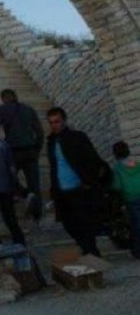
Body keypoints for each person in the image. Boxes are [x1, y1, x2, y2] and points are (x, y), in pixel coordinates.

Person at [46, 107, 111, 256]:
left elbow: (91, 159)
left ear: (64, 121)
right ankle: (88, 251)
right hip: (62, 191)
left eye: (57, 121)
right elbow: (54, 167)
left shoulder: (77, 137)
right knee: (69, 225)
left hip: (79, 189)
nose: (54, 125)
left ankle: (92, 254)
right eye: (51, 122)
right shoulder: (51, 142)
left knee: (85, 224)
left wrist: (89, 182)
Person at [0, 89, 45, 223]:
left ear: (4, 98)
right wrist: (36, 149)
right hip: (31, 150)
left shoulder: (2, 109)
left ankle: (24, 194)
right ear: (15, 96)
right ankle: (37, 214)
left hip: (13, 151)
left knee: (6, 177)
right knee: (34, 183)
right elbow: (39, 132)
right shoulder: (29, 109)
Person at [111, 141, 140, 259]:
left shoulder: (118, 168)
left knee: (136, 224)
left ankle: (137, 251)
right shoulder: (137, 164)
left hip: (130, 198)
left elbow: (117, 186)